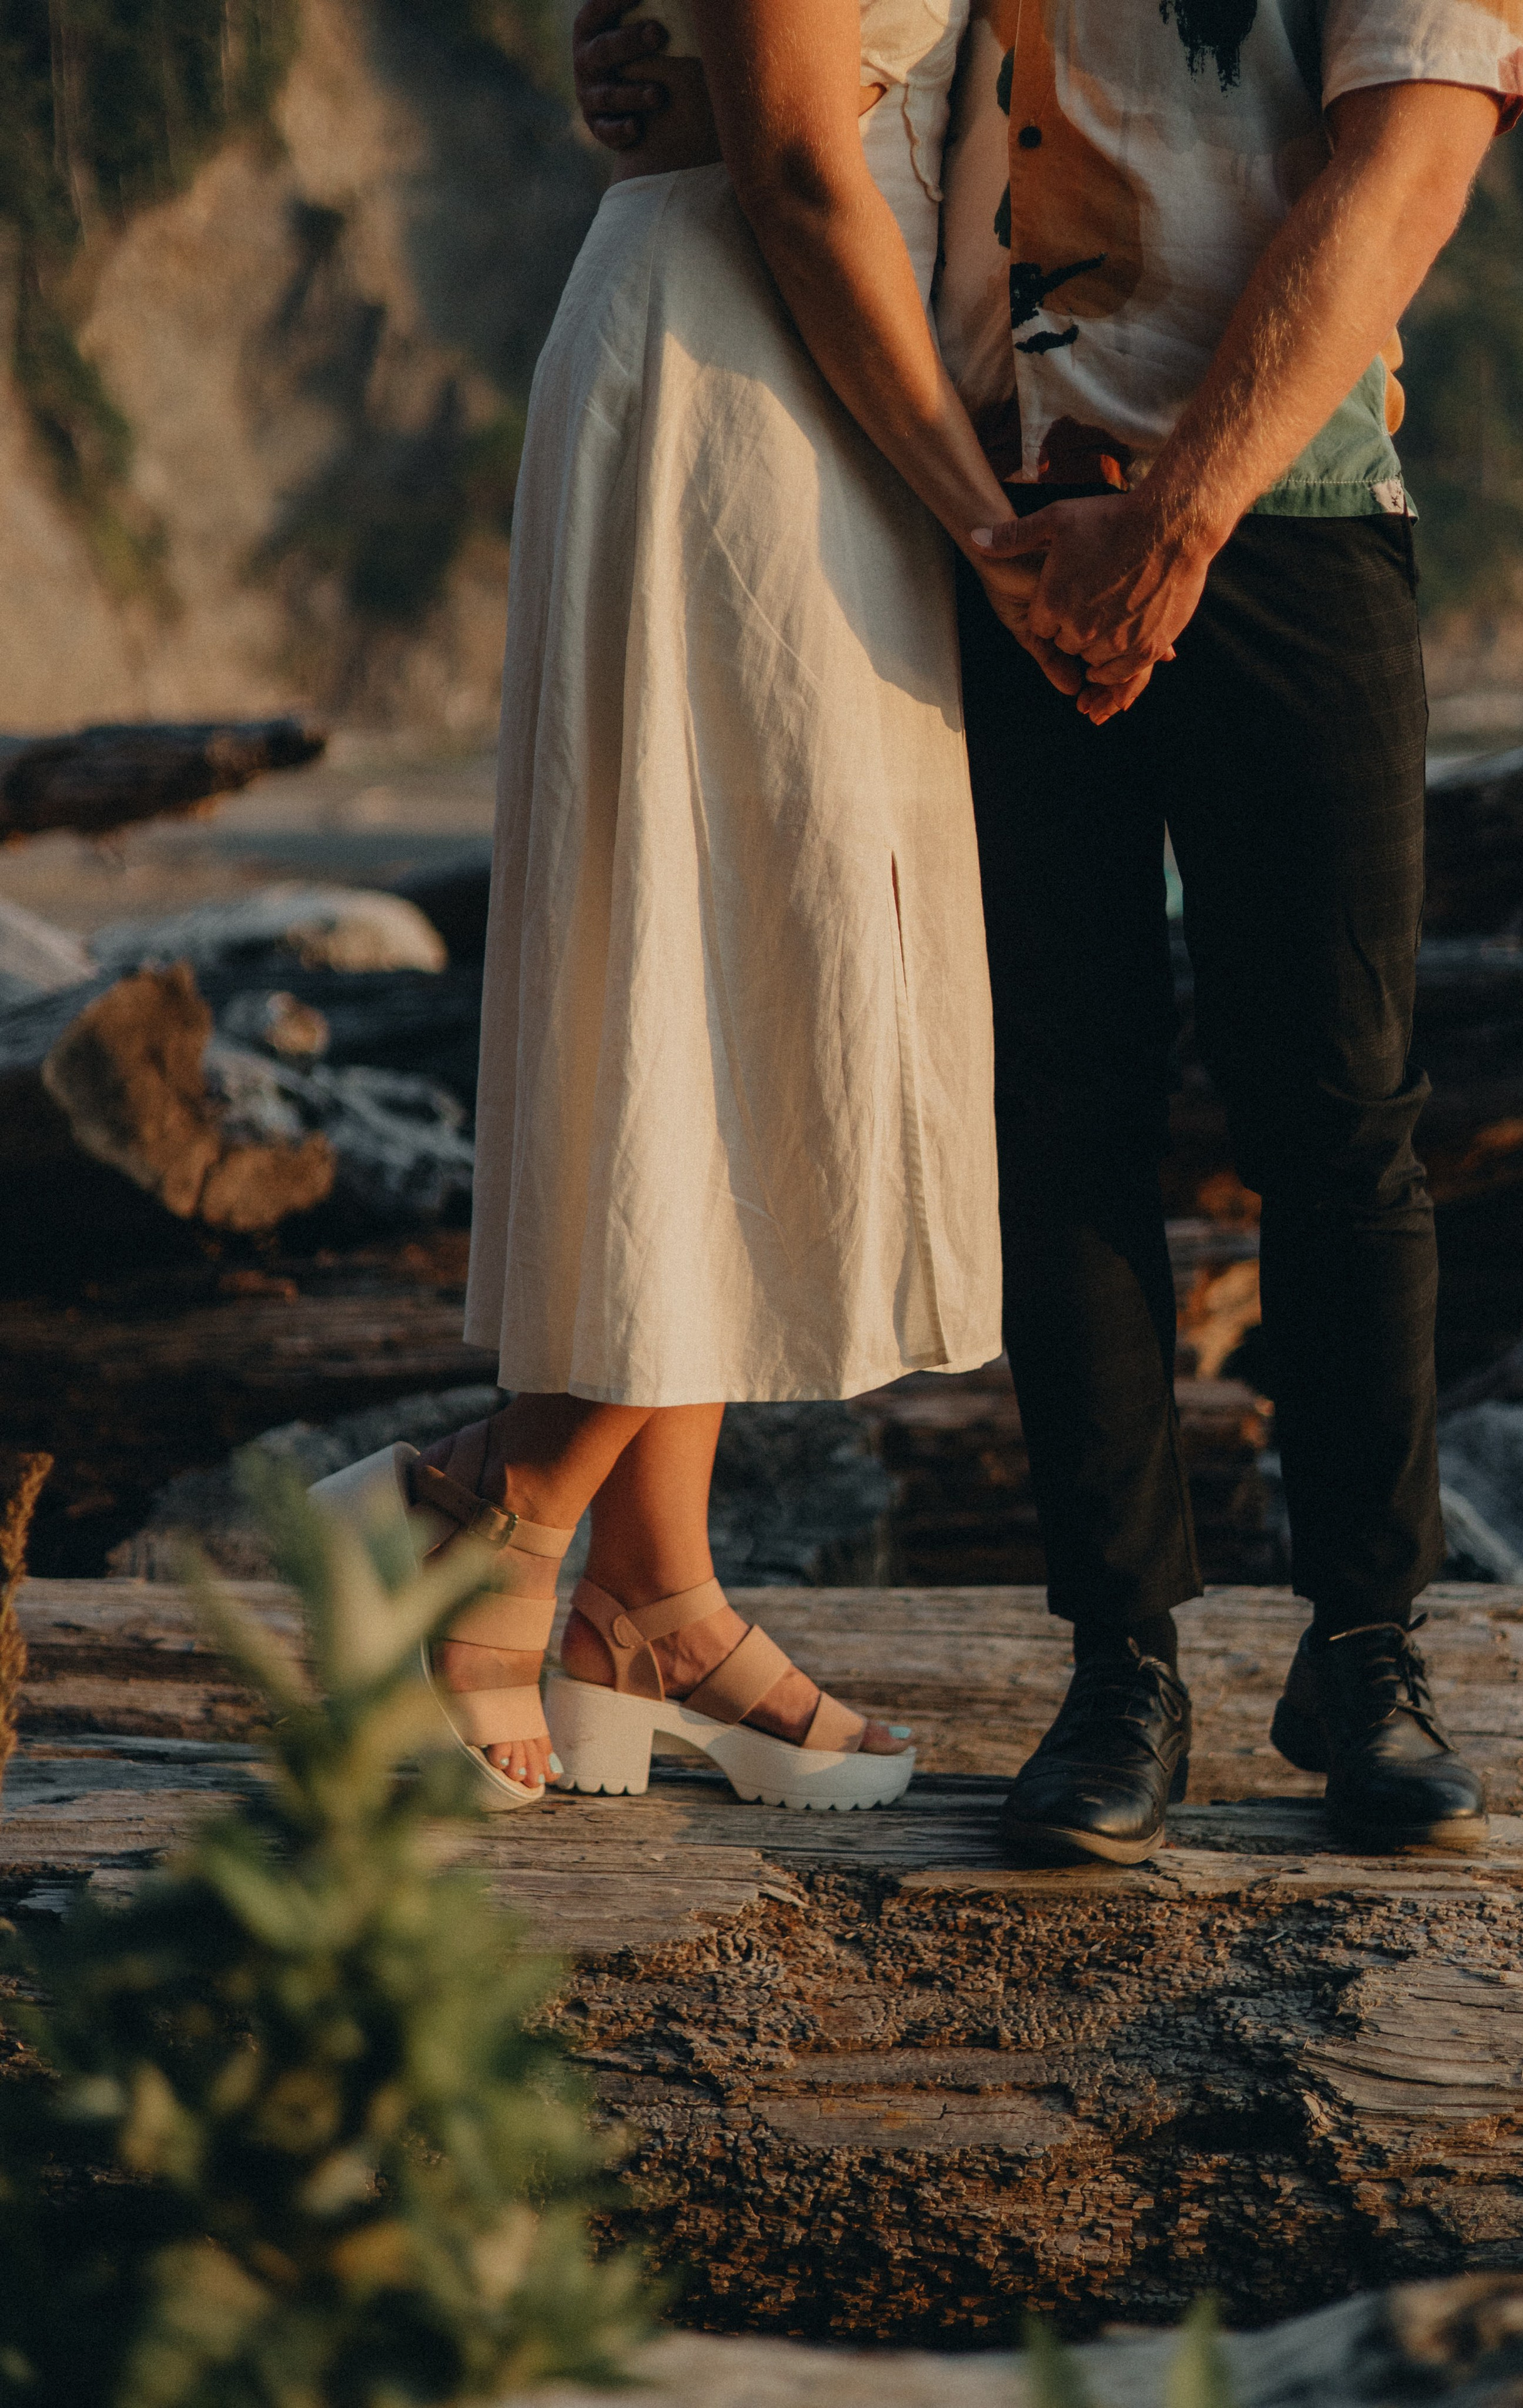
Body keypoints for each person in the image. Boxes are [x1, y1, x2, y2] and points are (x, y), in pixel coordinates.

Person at [576, 0, 1523, 1861]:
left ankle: (1368, 1649)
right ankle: (1124, 1666)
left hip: (1295, 516)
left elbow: (1412, 161)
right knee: (1061, 1114)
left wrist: (1177, 517)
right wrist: (647, 65)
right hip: (993, 519)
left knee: (1340, 1114)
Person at [314, 0, 1077, 1815]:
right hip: (757, 366)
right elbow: (805, 162)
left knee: (723, 960)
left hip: (817, 362)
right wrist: (991, 529)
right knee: (747, 966)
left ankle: (648, 1590)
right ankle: (487, 1510)